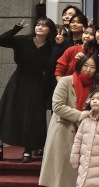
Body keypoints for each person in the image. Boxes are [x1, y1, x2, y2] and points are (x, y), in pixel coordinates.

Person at [40, 53, 99, 187]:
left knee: (76, 174)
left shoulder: (95, 87)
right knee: (59, 173)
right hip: (62, 131)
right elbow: (57, 106)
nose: (88, 70)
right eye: (85, 66)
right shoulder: (66, 81)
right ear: (79, 65)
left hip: (84, 133)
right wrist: (81, 115)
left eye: (92, 67)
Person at [0, 16, 57, 162]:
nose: (39, 27)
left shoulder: (51, 46)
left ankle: (28, 150)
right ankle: (1, 147)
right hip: (18, 80)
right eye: (38, 24)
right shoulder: (23, 40)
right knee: (9, 112)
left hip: (37, 83)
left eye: (44, 25)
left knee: (33, 116)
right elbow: (2, 40)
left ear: (50, 30)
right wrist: (15, 29)